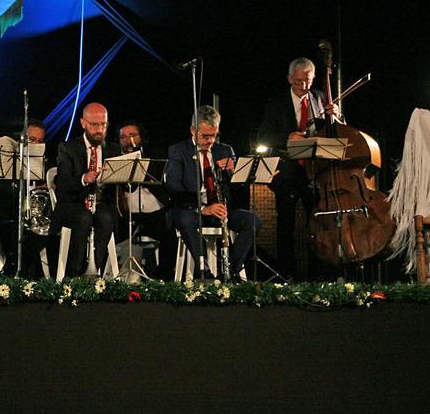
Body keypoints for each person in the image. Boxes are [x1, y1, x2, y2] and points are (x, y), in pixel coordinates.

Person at [257, 57, 336, 279]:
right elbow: (263, 136)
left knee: (318, 225)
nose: (304, 87)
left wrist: (335, 117)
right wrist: (287, 137)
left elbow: (332, 131)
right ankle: (286, 276)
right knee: (286, 227)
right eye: (299, 82)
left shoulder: (320, 98)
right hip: (288, 173)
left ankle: (318, 276)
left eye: (308, 81)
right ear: (290, 78)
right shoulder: (276, 103)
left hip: (316, 172)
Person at [165, 105, 261, 280]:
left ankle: (229, 270)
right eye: (205, 136)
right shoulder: (178, 151)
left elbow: (237, 192)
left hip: (221, 207)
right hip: (191, 209)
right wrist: (203, 208)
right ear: (193, 130)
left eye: (214, 135)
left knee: (253, 222)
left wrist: (234, 174)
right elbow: (174, 188)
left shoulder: (225, 150)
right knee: (186, 218)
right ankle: (204, 272)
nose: (210, 141)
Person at [50, 102, 121, 277]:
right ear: (83, 123)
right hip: (73, 204)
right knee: (83, 218)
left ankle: (95, 270)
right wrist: (84, 178)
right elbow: (63, 182)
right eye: (95, 125)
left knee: (106, 217)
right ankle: (76, 272)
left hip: (102, 202)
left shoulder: (113, 149)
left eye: (103, 125)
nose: (99, 130)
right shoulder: (67, 148)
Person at [0, 119, 50, 277]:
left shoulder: (45, 162)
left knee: (41, 233)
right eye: (32, 140)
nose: (36, 144)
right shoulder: (8, 159)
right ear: (22, 139)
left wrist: (47, 186)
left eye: (40, 141)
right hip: (9, 215)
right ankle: (14, 271)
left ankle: (18, 273)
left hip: (36, 218)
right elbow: (5, 193)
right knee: (13, 231)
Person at [115, 120, 175, 280]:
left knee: (170, 229)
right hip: (125, 216)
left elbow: (163, 187)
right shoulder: (114, 160)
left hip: (154, 213)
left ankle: (164, 278)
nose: (129, 141)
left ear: (142, 137)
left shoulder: (153, 157)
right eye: (124, 137)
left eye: (133, 135)